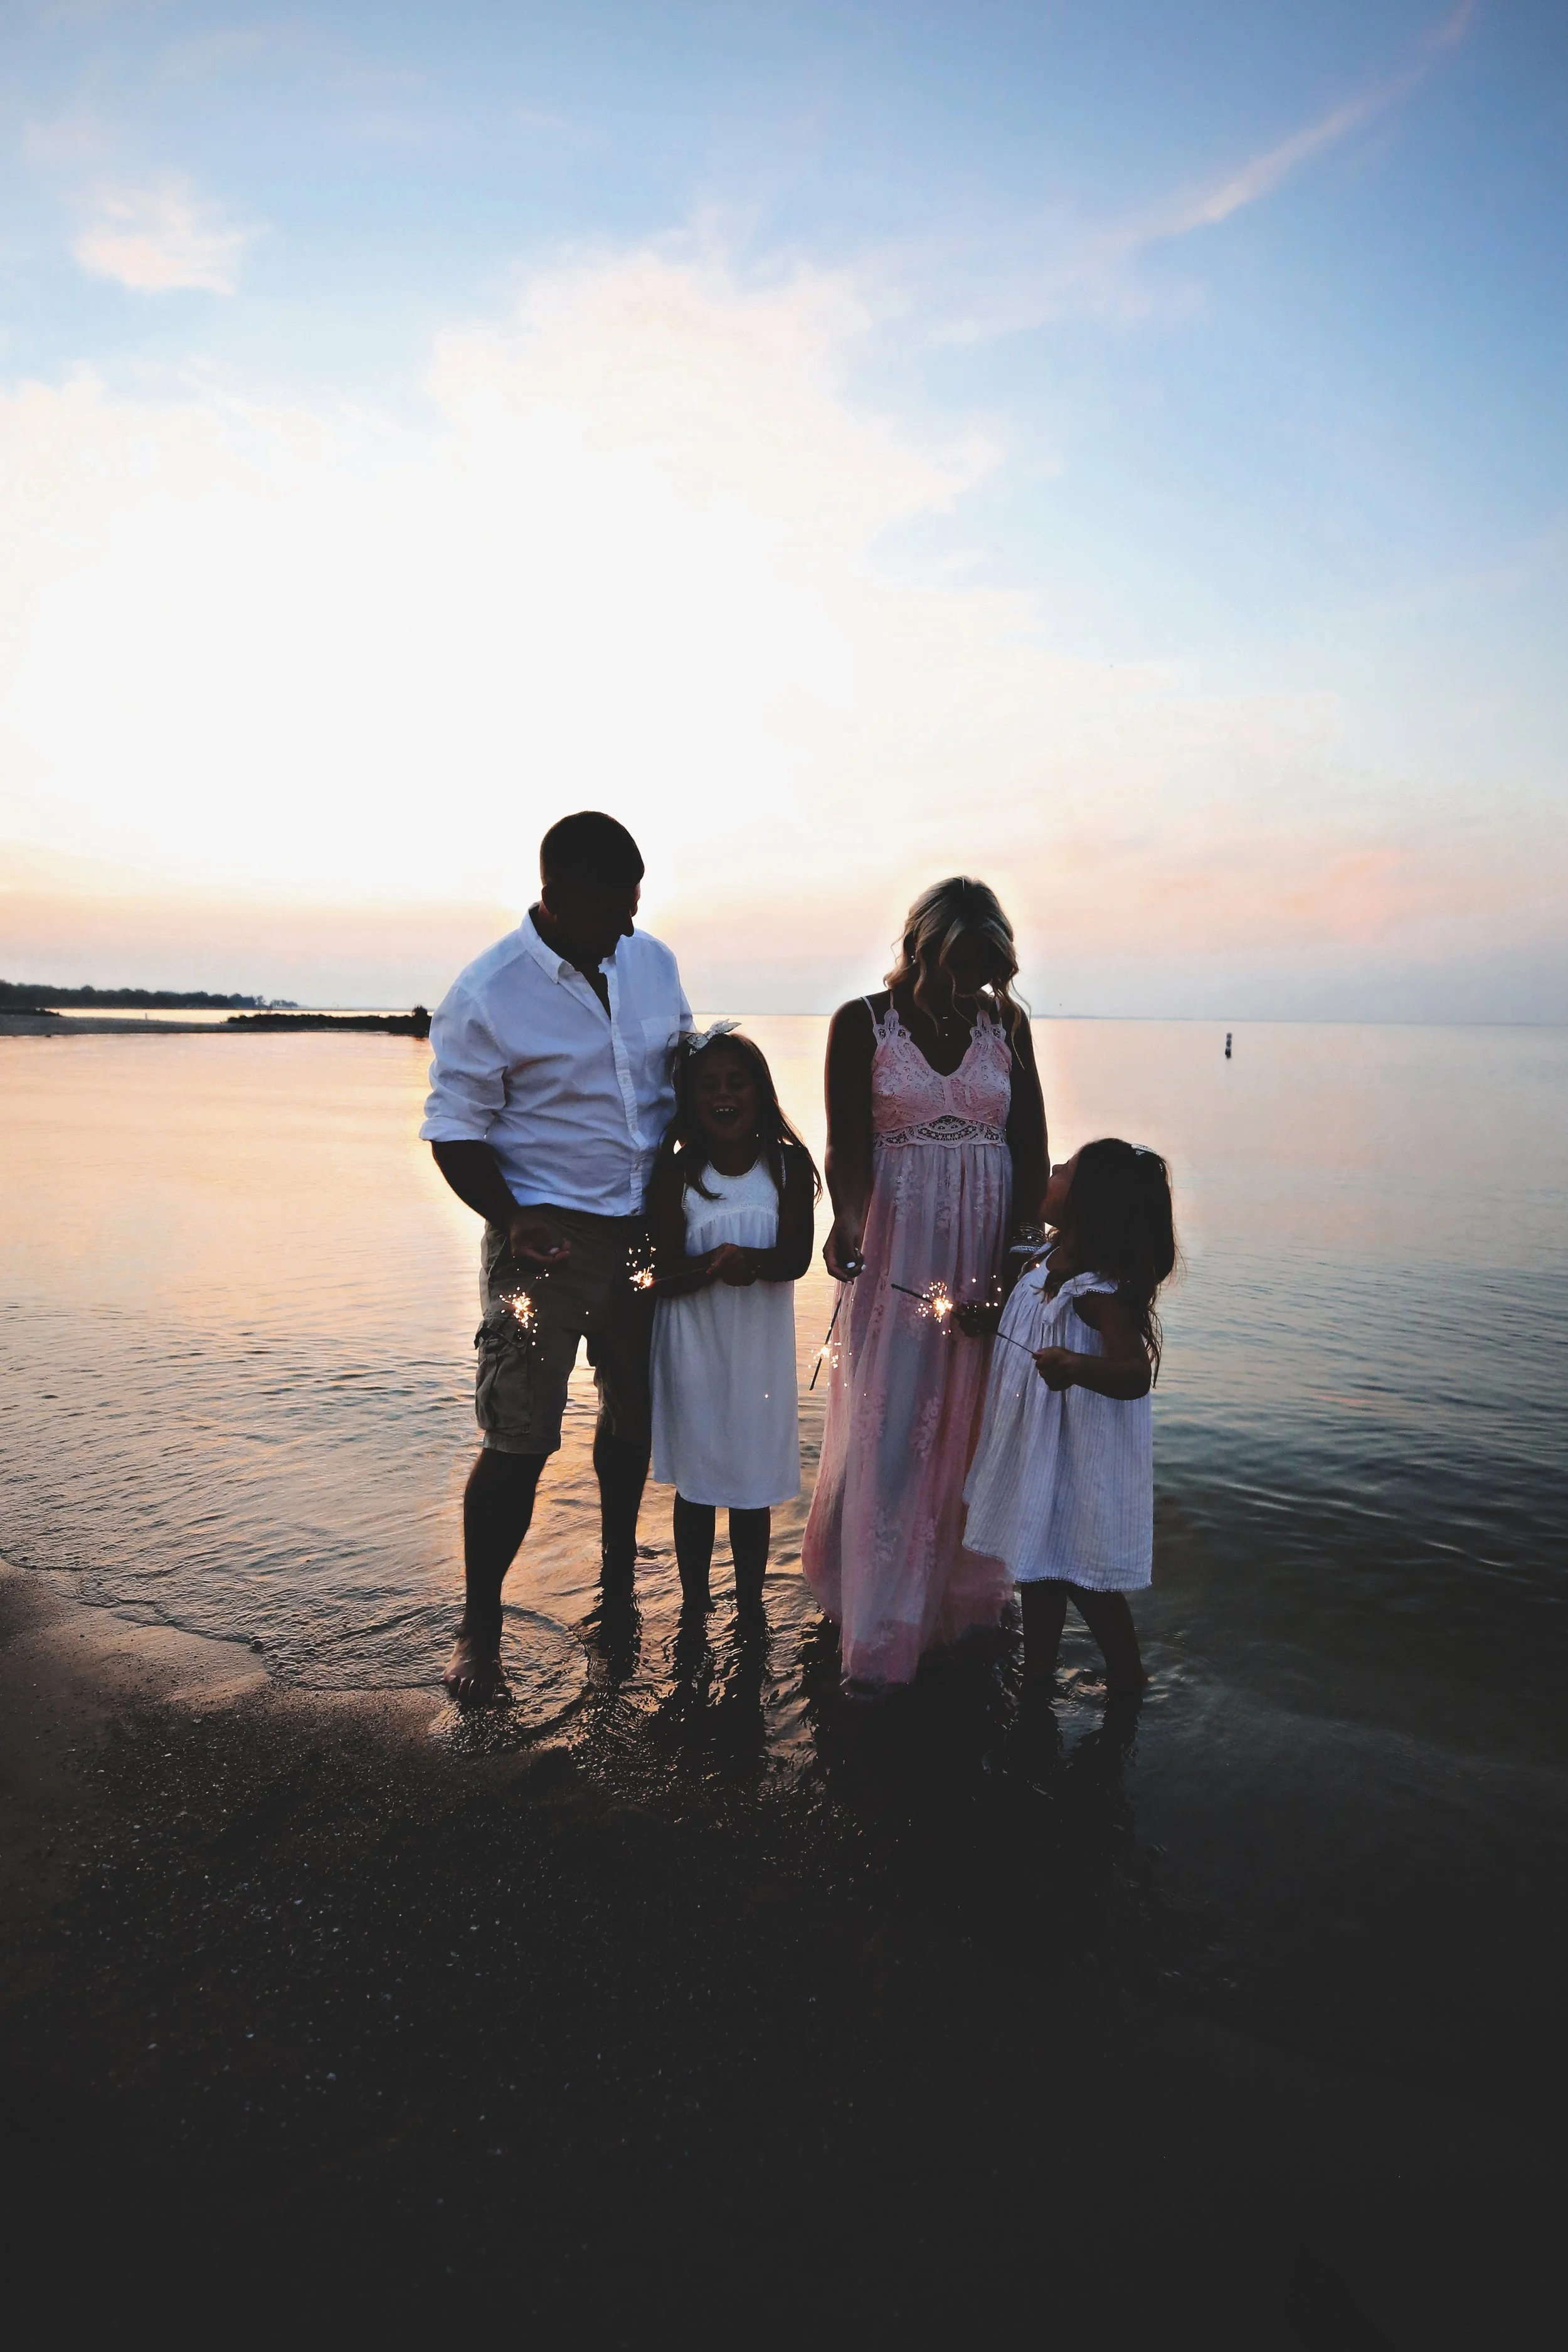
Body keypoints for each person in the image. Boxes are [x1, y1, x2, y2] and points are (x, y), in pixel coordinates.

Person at [420, 811, 692, 1703]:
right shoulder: (489, 990)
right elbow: (454, 1131)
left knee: (633, 1418)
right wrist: (511, 1216)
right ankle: (481, 1626)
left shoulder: (651, 962)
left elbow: (678, 1085)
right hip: (543, 1239)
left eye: (636, 905)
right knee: (518, 1435)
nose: (629, 925)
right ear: (556, 897)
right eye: (613, 908)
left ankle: (617, 1587)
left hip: (645, 1232)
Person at [802, 877, 1048, 1692]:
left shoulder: (1004, 1025)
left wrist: (1017, 1268)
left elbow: (1032, 1150)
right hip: (899, 1257)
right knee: (891, 1432)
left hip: (983, 1254)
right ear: (920, 946)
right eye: (958, 964)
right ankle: (878, 1617)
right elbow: (846, 1146)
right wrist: (845, 1219)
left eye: (985, 968)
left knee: (972, 1438)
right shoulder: (862, 1024)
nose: (971, 983)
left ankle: (958, 1607)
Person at [960, 1140, 1177, 1696]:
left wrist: (1077, 1366)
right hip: (1036, 1451)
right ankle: (1036, 1679)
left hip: (1077, 1457)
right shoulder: (1039, 1263)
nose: (1052, 1169)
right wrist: (988, 1318)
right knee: (1038, 1566)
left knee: (1089, 1579)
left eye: (1067, 1171)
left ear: (1090, 1203)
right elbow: (1024, 1316)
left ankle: (1129, 1680)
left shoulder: (1099, 1295)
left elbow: (1133, 1374)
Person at [647, 1028, 817, 1614]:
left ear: (761, 1092)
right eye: (710, 1086)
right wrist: (714, 1268)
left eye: (736, 1082)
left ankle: (750, 1607)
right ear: (691, 1101)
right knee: (696, 1486)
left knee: (750, 1482)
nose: (724, 1095)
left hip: (757, 1349)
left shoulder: (787, 1165)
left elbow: (796, 1258)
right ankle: (695, 1605)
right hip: (693, 1344)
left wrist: (754, 1262)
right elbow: (661, 1271)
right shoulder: (678, 1174)